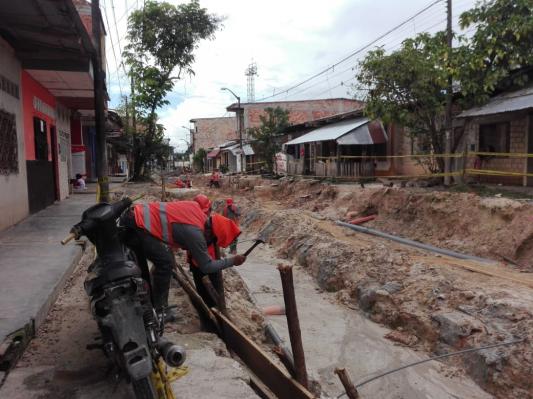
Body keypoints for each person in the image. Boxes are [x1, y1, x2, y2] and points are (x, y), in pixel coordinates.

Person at [121, 200, 244, 313]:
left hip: (136, 216)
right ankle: (160, 310)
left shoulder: (197, 211)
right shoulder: (196, 234)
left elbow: (176, 224)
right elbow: (206, 267)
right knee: (165, 263)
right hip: (137, 224)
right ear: (210, 232)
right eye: (211, 240)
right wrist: (233, 260)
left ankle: (150, 304)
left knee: (150, 263)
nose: (208, 243)